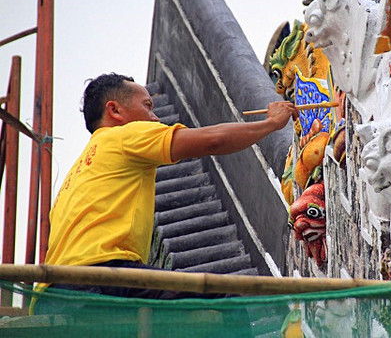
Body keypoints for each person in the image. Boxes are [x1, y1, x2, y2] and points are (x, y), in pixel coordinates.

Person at [36, 72, 298, 304]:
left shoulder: (78, 171)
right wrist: (271, 124)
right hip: (101, 278)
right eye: (148, 106)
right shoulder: (122, 136)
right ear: (115, 111)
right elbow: (213, 141)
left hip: (53, 294)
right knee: (222, 302)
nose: (155, 116)